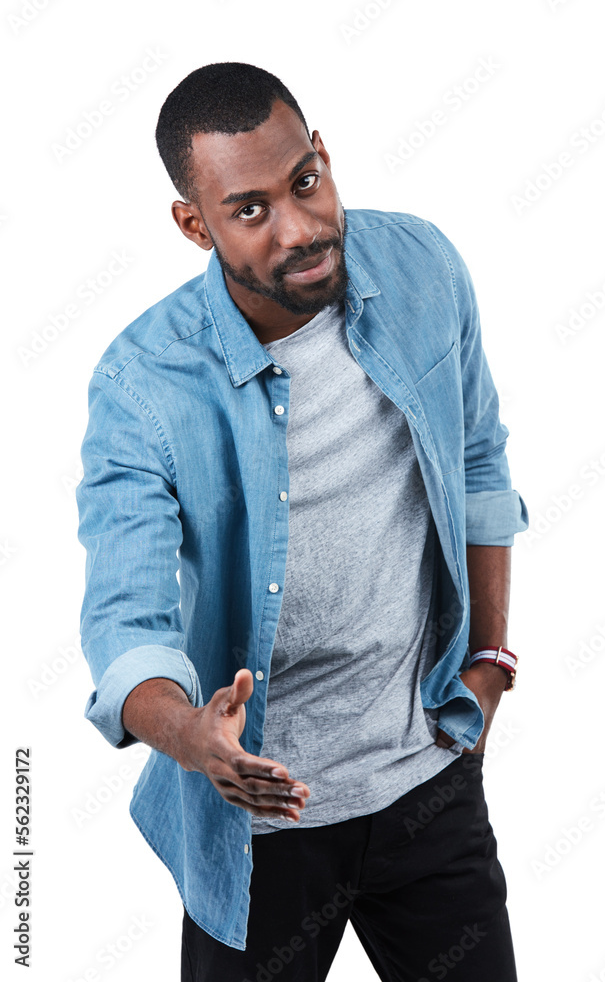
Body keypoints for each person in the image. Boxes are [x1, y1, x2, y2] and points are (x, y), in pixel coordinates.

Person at [75, 61, 529, 981]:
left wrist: (490, 658)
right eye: (250, 211)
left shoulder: (422, 268)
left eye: (306, 183)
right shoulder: (143, 385)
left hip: (427, 781)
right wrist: (194, 740)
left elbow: (480, 458)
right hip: (257, 825)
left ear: (321, 154)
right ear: (193, 225)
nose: (301, 228)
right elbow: (125, 625)